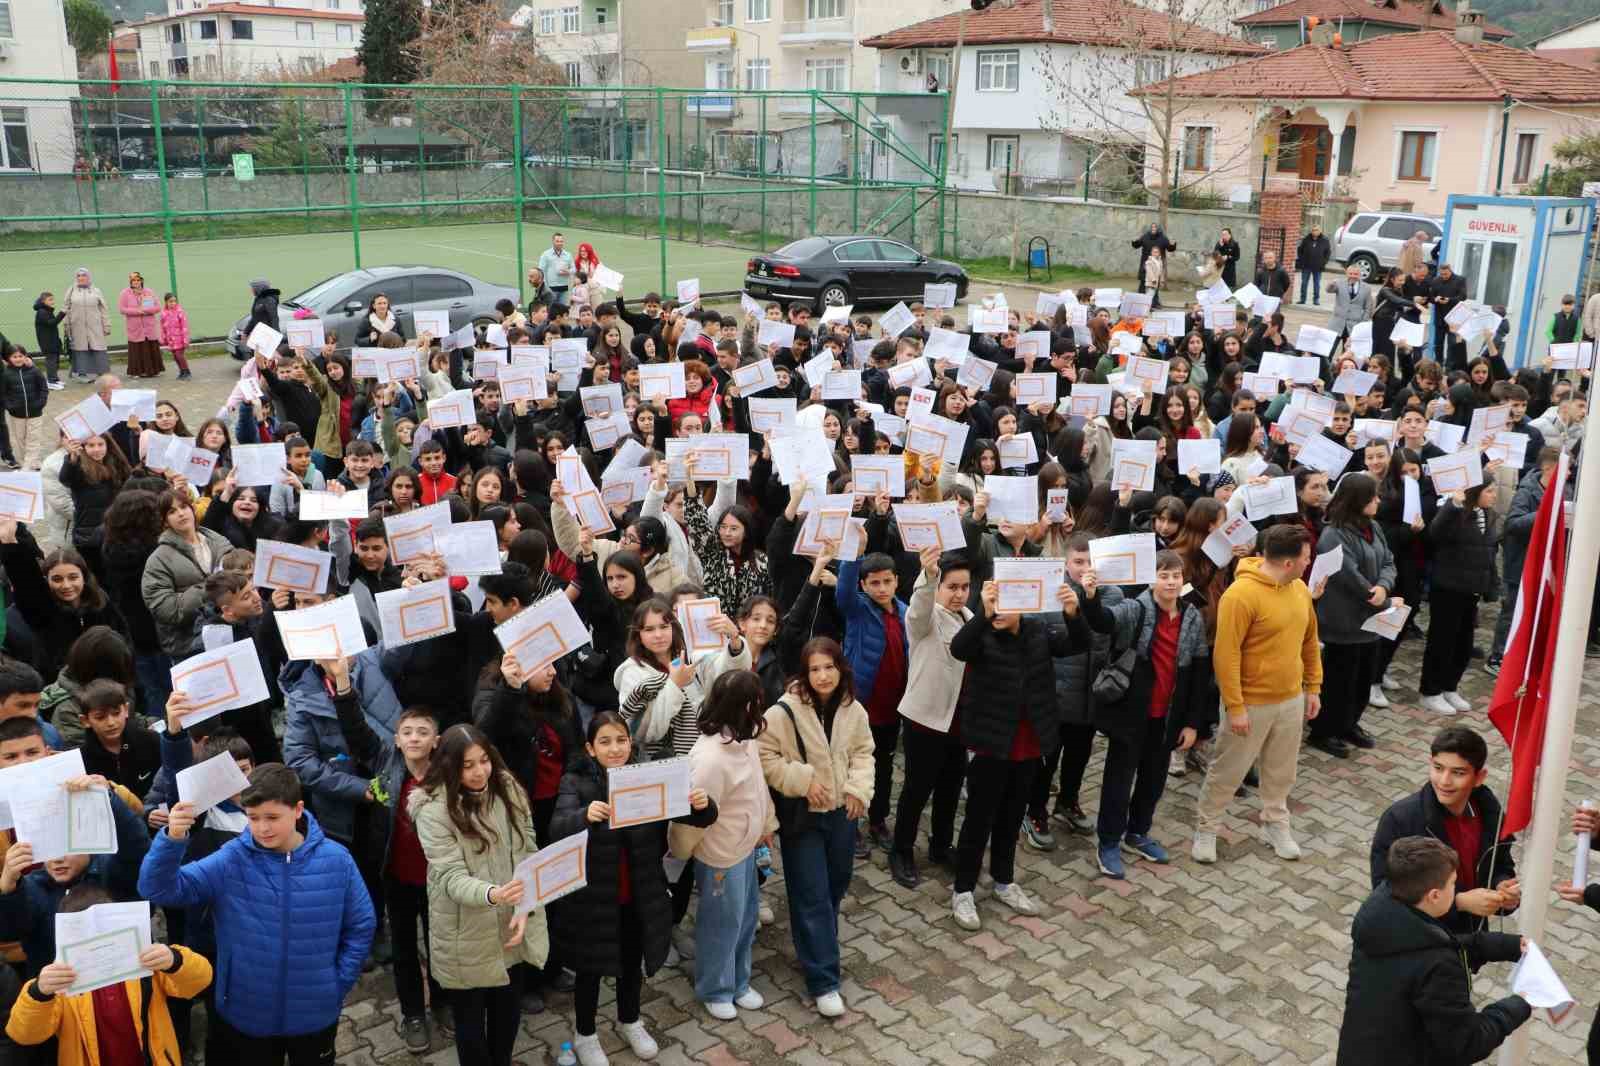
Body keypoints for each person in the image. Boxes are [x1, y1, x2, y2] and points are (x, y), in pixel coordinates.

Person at [139, 762, 376, 1064]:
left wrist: (337, 983)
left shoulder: (337, 860)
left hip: (315, 1012)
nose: (262, 828)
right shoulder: (231, 860)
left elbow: (361, 925)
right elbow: (156, 888)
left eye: (272, 817)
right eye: (253, 818)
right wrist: (171, 839)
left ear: (298, 809)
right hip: (246, 1013)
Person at [549, 712, 714, 1062]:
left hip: (638, 895)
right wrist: (584, 816)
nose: (614, 748)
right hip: (593, 900)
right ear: (590, 748)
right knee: (589, 970)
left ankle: (630, 1020)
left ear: (631, 743)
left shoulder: (647, 775)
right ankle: (586, 1034)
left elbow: (689, 814)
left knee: (630, 962)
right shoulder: (575, 783)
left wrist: (703, 806)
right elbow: (556, 829)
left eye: (621, 740)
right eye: (605, 742)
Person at [948, 576, 1088, 930]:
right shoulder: (980, 635)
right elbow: (958, 648)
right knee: (979, 818)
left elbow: (1079, 643)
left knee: (1011, 817)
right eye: (996, 604)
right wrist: (984, 612)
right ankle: (963, 889)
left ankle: (1004, 881)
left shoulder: (1037, 630)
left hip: (1029, 742)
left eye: (1007, 606)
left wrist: (1073, 613)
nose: (1000, 613)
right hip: (990, 743)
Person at [411, 725, 545, 1066]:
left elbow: (528, 842)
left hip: (511, 920)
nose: (479, 772)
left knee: (508, 1011)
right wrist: (495, 894)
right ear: (449, 766)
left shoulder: (507, 787)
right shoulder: (432, 809)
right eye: (467, 765)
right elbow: (451, 877)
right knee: (470, 1022)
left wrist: (523, 904)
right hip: (464, 933)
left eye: (484, 760)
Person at [1336, 836, 1529, 1065]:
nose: (1456, 889)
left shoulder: (1381, 918)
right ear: (1434, 896)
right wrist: (1519, 1004)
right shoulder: (1438, 966)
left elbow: (1429, 947)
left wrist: (1504, 946)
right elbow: (1467, 1043)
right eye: (1453, 883)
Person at [1078, 550, 1212, 880]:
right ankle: (1108, 841)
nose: (1170, 581)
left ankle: (1137, 833)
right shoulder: (1136, 608)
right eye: (1163, 575)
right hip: (1130, 715)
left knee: (1153, 781)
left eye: (1175, 576)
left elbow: (1198, 674)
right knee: (1118, 781)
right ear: (1152, 578)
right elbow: (1102, 621)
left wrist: (1193, 724)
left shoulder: (1192, 616)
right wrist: (1091, 596)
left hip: (1167, 718)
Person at [1193, 524, 1322, 864]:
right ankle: (1207, 828)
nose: (1310, 561)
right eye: (1306, 557)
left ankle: (1274, 823)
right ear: (1288, 562)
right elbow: (1226, 654)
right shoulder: (1241, 595)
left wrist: (1313, 687)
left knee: (1282, 770)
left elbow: (1309, 640)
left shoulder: (1299, 590)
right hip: (1250, 703)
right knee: (1227, 771)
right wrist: (1235, 707)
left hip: (1291, 698)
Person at [759, 637, 873, 1018]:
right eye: (815, 669)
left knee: (834, 887)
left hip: (842, 814)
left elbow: (863, 752)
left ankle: (816, 945)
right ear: (804, 674)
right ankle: (823, 980)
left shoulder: (852, 708)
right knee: (811, 894)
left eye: (829, 667)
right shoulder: (783, 711)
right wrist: (803, 779)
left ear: (841, 668)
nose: (823, 676)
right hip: (803, 817)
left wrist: (859, 789)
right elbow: (764, 756)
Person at [6, 886, 213, 1066]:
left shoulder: (145, 963)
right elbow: (24, 1034)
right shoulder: (60, 982)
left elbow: (201, 979)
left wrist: (174, 959)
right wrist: (39, 993)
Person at [1369, 726, 1520, 936]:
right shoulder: (1400, 820)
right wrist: (1459, 902)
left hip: (1470, 940)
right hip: (1421, 943)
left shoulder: (1490, 814)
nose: (1444, 781)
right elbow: (1386, 894)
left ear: (1479, 777)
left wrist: (1502, 886)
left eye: (1458, 772)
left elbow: (1501, 863)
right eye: (1438, 768)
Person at [684, 672, 773, 1023]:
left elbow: (759, 786)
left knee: (746, 917)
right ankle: (715, 989)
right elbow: (696, 816)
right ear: (745, 707)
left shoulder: (745, 739)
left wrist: (765, 825)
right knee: (721, 922)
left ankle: (738, 981)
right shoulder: (709, 758)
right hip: (721, 854)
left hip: (747, 846)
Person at [890, 547, 972, 889]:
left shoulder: (970, 617)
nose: (959, 594)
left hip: (959, 720)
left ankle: (940, 846)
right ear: (938, 588)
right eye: (952, 586)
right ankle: (901, 850)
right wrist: (928, 576)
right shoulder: (925, 619)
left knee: (951, 787)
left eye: (965, 586)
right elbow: (919, 608)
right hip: (925, 719)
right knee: (917, 788)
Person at [1308, 473, 1395, 758]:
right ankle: (1324, 730)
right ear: (1358, 501)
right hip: (1342, 621)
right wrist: (1373, 594)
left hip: (1371, 618)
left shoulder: (1374, 527)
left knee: (1362, 679)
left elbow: (1388, 561)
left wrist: (1383, 586)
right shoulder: (1334, 533)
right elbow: (1347, 574)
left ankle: (1349, 724)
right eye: (1373, 497)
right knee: (1338, 681)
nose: (1378, 501)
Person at [835, 549, 907, 854]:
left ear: (896, 582)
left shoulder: (904, 611)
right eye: (874, 583)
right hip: (860, 707)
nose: (881, 588)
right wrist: (852, 555)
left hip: (893, 708)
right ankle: (848, 825)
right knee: (852, 766)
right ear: (863, 585)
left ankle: (878, 820)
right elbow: (843, 593)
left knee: (885, 765)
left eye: (886, 582)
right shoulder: (858, 609)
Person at [1419, 484, 1499, 715]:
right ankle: (1430, 691)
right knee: (1442, 641)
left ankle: (1449, 687)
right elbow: (1435, 532)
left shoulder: (1488, 515)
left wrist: (1490, 587)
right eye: (1489, 491)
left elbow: (1489, 555)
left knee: (1463, 644)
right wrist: (1453, 504)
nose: (1494, 495)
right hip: (1448, 588)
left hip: (1471, 591)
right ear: (1477, 492)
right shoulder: (1455, 512)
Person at [0, 343, 49, 471]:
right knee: (20, 438)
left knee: (34, 438)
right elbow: (3, 393)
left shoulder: (34, 371)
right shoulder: (6, 374)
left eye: (20, 356)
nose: (18, 359)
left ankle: (27, 467)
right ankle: (31, 462)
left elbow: (43, 387)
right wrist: (10, 406)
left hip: (35, 412)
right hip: (17, 414)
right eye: (14, 356)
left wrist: (41, 402)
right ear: (9, 359)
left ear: (25, 356)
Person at [63, 268, 110, 382]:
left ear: (88, 277)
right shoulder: (71, 291)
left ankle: (101, 372)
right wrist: (66, 326)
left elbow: (103, 309)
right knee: (80, 348)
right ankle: (82, 373)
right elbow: (65, 308)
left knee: (97, 347)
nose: (81, 278)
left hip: (95, 326)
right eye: (78, 276)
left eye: (84, 275)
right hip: (77, 326)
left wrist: (106, 325)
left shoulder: (96, 291)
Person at [118, 271, 163, 379]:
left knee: (150, 347)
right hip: (135, 327)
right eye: (133, 280)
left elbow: (157, 307)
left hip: (149, 327)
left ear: (141, 280)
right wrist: (138, 311)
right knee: (137, 349)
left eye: (138, 279)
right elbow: (122, 309)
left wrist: (147, 310)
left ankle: (153, 370)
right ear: (130, 281)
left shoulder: (148, 292)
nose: (136, 282)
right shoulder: (125, 293)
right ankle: (137, 371)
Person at [1326, 263, 1373, 346]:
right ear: (1346, 274)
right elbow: (1329, 290)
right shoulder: (1339, 283)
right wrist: (1331, 284)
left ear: (1360, 275)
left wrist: (1362, 324)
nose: (1353, 276)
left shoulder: (1367, 288)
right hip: (1336, 324)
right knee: (1328, 351)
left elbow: (1368, 308)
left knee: (1347, 354)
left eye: (1355, 274)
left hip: (1353, 327)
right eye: (1350, 274)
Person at [31, 292, 66, 390]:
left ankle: (55, 379)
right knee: (51, 361)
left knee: (55, 360)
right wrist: (63, 313)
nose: (52, 301)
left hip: (52, 340)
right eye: (50, 300)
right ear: (43, 301)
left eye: (52, 299)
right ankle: (50, 381)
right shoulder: (42, 312)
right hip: (47, 342)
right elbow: (52, 323)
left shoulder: (47, 310)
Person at [1131, 223, 1175, 296]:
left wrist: (1173, 245)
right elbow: (1137, 245)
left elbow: (1170, 248)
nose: (1153, 228)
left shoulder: (1163, 238)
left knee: (1155, 284)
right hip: (1146, 263)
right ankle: (1140, 301)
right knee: (1143, 282)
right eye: (1152, 227)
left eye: (1155, 227)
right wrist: (1134, 241)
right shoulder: (1145, 236)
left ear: (1158, 229)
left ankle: (1154, 302)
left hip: (1156, 265)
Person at [242, 280, 280, 361]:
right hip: (259, 333)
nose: (251, 290)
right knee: (257, 357)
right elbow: (255, 317)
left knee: (264, 359)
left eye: (252, 288)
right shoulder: (259, 299)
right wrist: (246, 332)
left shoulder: (269, 299)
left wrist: (275, 335)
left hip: (266, 334)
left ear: (258, 288)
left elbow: (274, 317)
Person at [1295, 225, 1331, 306]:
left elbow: (1328, 253)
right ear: (1311, 231)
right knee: (1304, 283)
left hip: (1318, 266)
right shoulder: (1306, 239)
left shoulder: (1325, 240)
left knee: (1317, 283)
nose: (1315, 231)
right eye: (1313, 230)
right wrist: (1302, 260)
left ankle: (1316, 299)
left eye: (1317, 230)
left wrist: (1324, 262)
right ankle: (1302, 299)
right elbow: (1299, 250)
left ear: (1320, 231)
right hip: (1306, 265)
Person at [540, 232, 576, 301]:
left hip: (564, 288)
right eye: (557, 241)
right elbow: (541, 271)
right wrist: (545, 287)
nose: (560, 243)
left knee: (562, 310)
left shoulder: (568, 255)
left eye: (561, 241)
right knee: (551, 310)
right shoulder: (546, 255)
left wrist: (568, 271)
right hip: (550, 288)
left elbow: (574, 269)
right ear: (553, 241)